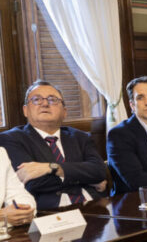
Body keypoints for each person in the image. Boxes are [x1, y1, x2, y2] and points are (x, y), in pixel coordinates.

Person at [0, 80, 108, 209]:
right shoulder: (11, 139)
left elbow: (100, 171)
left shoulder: (80, 137)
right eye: (36, 99)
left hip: (94, 205)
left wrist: (53, 168)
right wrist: (87, 179)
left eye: (52, 100)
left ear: (64, 111)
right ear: (25, 110)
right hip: (50, 212)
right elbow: (32, 182)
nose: (45, 104)